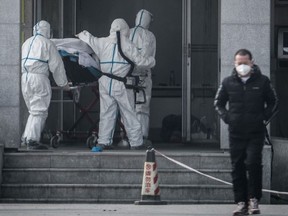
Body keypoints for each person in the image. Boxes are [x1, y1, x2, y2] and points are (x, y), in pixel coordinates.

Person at [214, 49, 278, 216]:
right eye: (239, 63)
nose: (242, 66)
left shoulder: (263, 81)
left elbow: (273, 102)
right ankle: (241, 202)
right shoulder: (228, 82)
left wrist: (264, 117)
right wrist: (227, 117)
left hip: (256, 131)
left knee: (253, 163)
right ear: (235, 63)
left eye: (245, 62)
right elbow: (218, 103)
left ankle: (254, 199)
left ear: (252, 62)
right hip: (236, 132)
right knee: (237, 166)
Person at [76, 18, 155, 150]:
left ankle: (103, 141)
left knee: (106, 113)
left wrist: (80, 34)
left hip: (105, 82)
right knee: (129, 113)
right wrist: (152, 61)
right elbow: (141, 61)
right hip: (121, 83)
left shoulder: (102, 42)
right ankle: (136, 143)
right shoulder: (128, 45)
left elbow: (89, 38)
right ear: (125, 29)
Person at [21, 20, 70, 150]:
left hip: (25, 78)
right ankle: (32, 140)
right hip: (39, 78)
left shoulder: (26, 43)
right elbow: (57, 66)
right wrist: (64, 84)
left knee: (33, 110)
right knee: (39, 110)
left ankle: (26, 137)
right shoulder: (47, 43)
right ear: (48, 31)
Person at [129, 9, 156, 145]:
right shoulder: (149, 36)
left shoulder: (127, 32)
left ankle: (127, 136)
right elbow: (149, 57)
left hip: (126, 76)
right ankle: (141, 136)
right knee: (142, 106)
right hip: (143, 76)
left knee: (128, 106)